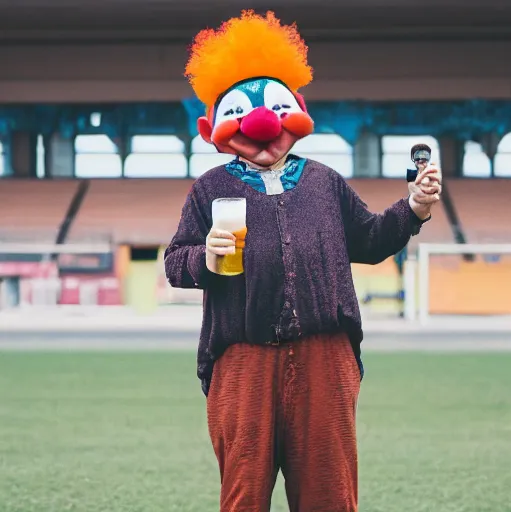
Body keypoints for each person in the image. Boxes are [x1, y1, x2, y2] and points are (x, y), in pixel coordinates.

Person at [165, 11, 442, 512]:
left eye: (275, 108)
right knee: (244, 495)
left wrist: (414, 208)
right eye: (241, 113)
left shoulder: (324, 181)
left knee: (330, 494)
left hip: (325, 355)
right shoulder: (209, 189)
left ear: (299, 111)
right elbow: (173, 263)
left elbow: (372, 240)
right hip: (243, 359)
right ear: (212, 127)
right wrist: (203, 258)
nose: (263, 122)